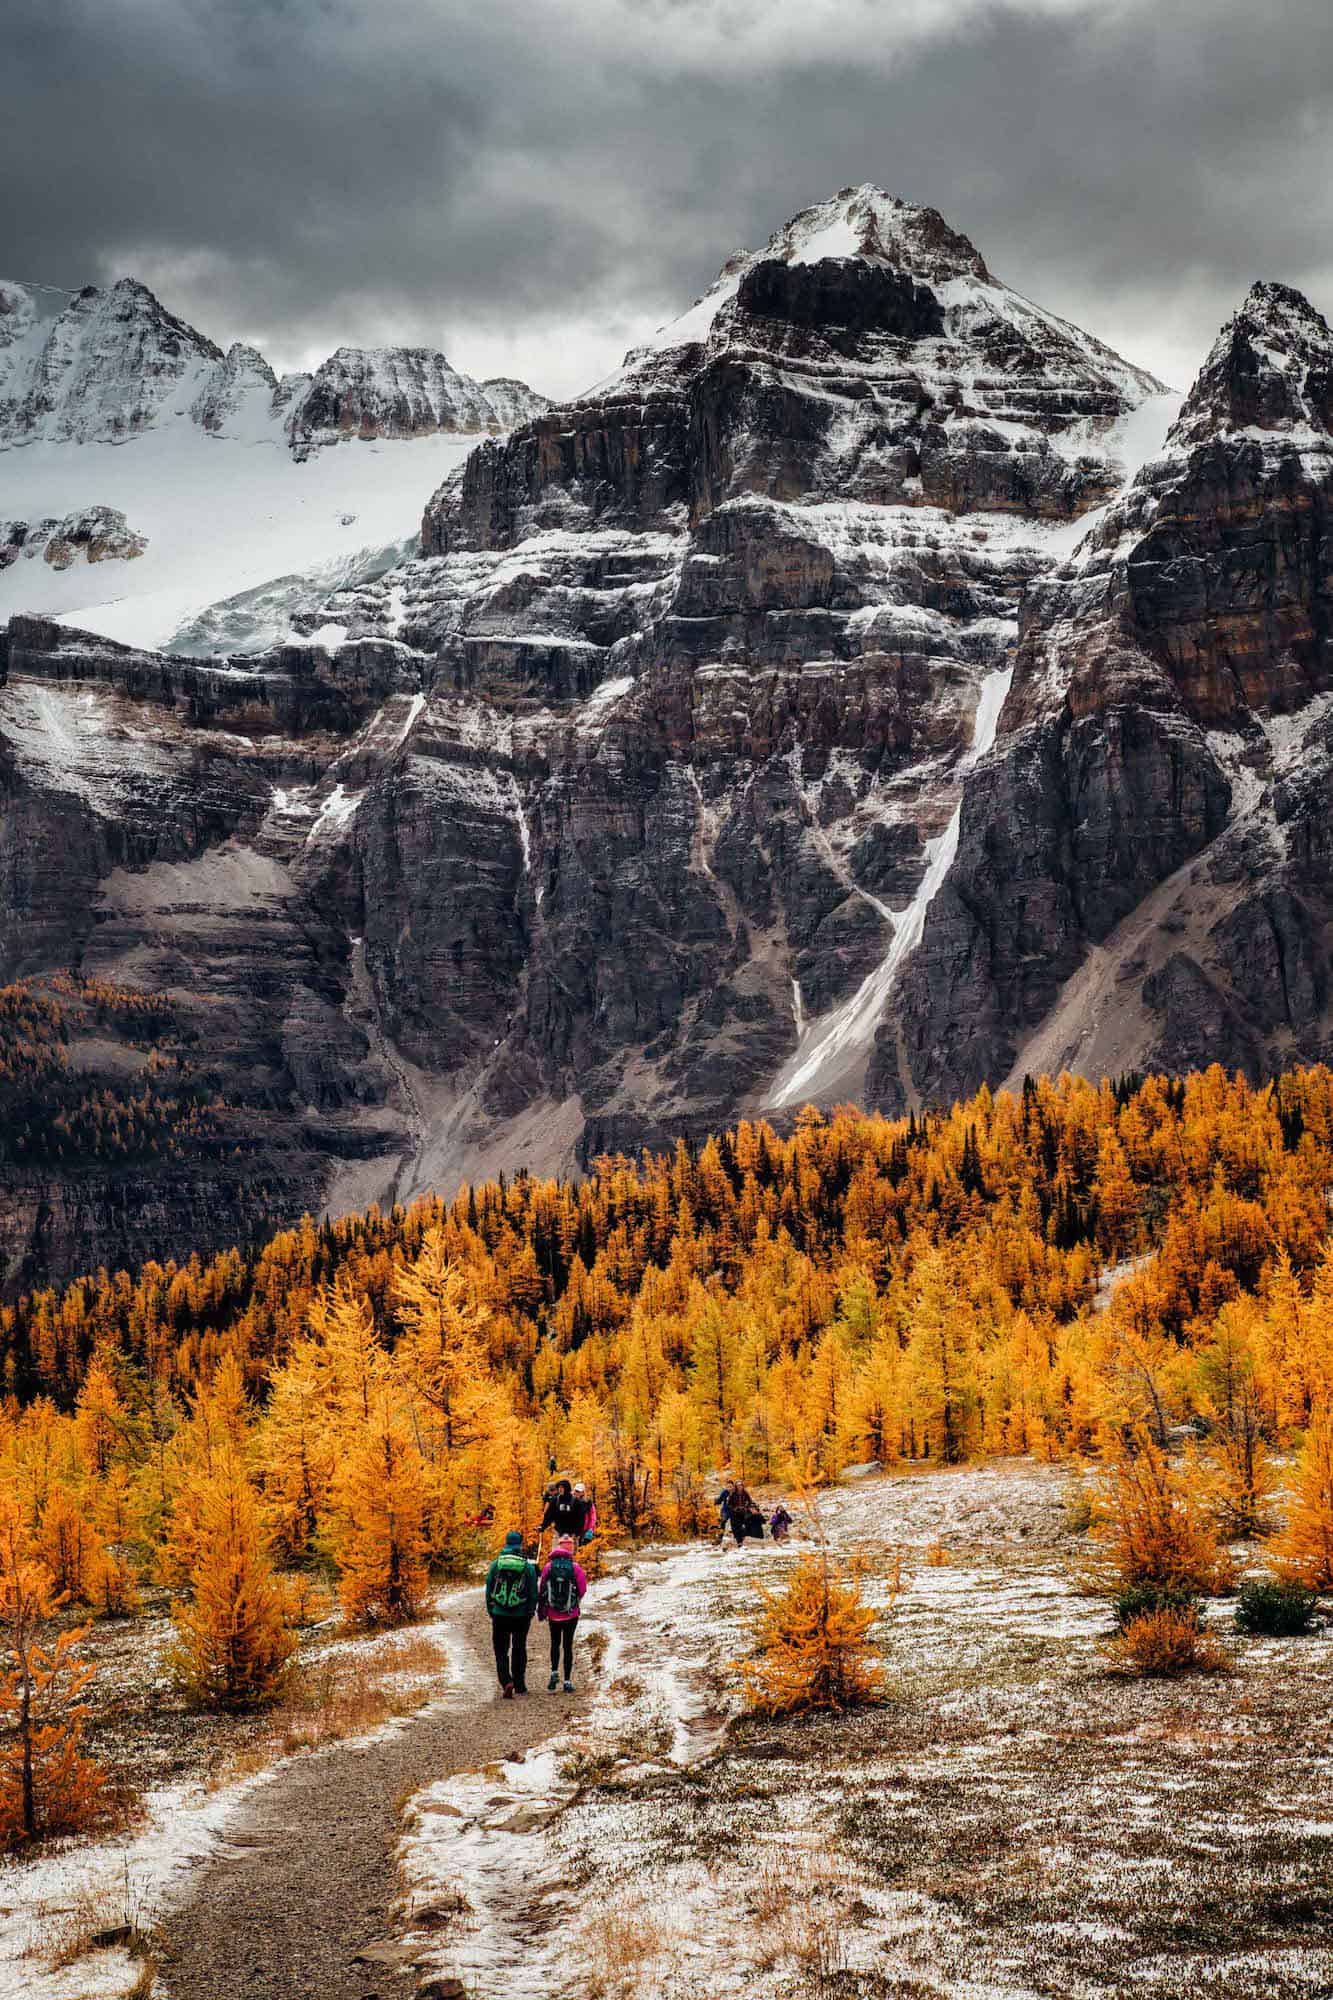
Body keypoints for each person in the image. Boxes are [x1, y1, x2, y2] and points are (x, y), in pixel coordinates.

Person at [484, 1528, 538, 1698]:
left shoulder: (496, 1564)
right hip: (521, 1614)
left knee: (500, 1649)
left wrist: (491, 1610)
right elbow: (533, 1591)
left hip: (500, 1613)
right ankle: (520, 1685)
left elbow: (489, 1589)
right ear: (520, 1545)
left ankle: (506, 1681)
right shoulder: (527, 1567)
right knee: (519, 1648)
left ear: (506, 1543)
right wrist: (530, 1611)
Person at [537, 1532, 587, 1691]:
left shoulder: (548, 1567)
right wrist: (574, 1601)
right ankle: (567, 1680)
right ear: (571, 1549)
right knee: (568, 1645)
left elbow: (542, 1587)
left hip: (553, 1613)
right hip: (570, 1613)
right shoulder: (575, 1568)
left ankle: (553, 1672)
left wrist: (544, 1608)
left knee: (555, 1643)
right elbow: (582, 1589)